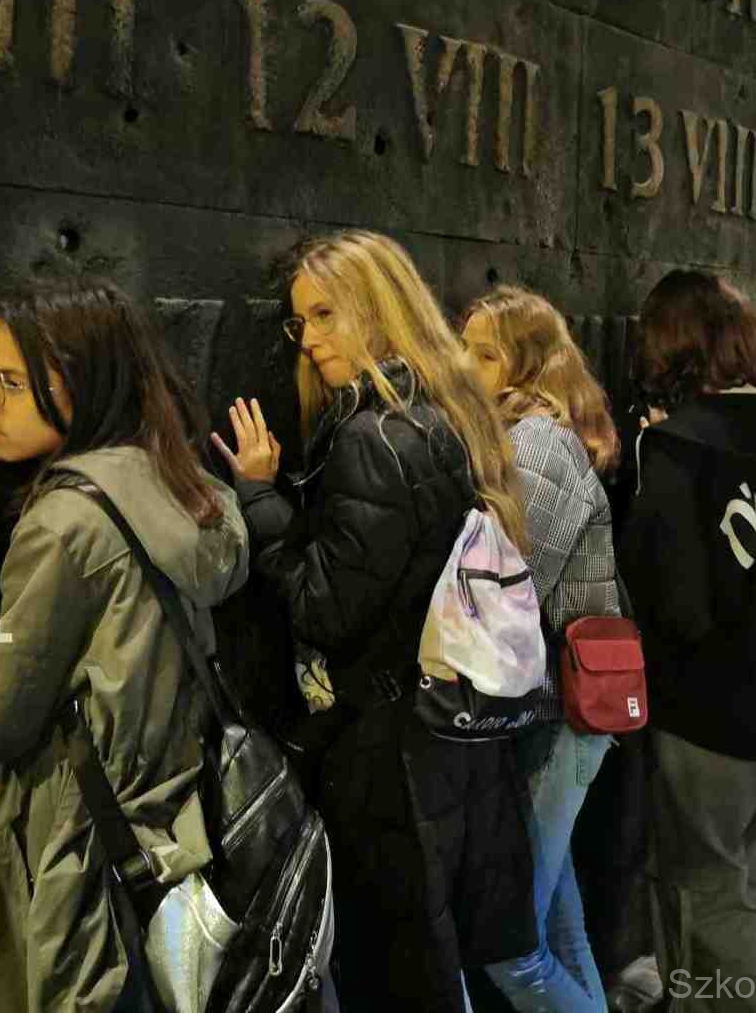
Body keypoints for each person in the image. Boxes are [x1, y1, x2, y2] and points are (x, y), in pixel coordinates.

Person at [0, 278, 250, 1013]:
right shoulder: (180, 483)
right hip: (180, 839)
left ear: (82, 385)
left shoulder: (66, 525)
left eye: (11, 384)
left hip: (87, 877)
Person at [212, 230, 536, 1012]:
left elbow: (325, 607)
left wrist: (258, 498)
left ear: (379, 309)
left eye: (327, 315)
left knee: (400, 973)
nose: (310, 339)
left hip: (388, 754)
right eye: (301, 322)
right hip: (449, 729)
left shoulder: (371, 436)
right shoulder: (446, 412)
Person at [619, 271, 756, 1013]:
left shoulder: (678, 448)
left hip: (705, 719)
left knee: (707, 902)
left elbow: (674, 605)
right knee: (744, 890)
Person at [457, 284, 622, 1013]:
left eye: (484, 355)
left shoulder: (537, 443)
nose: (463, 366)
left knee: (511, 950)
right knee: (556, 924)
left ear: (527, 367)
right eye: (462, 349)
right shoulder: (516, 435)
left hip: (558, 720)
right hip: (551, 719)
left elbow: (511, 583)